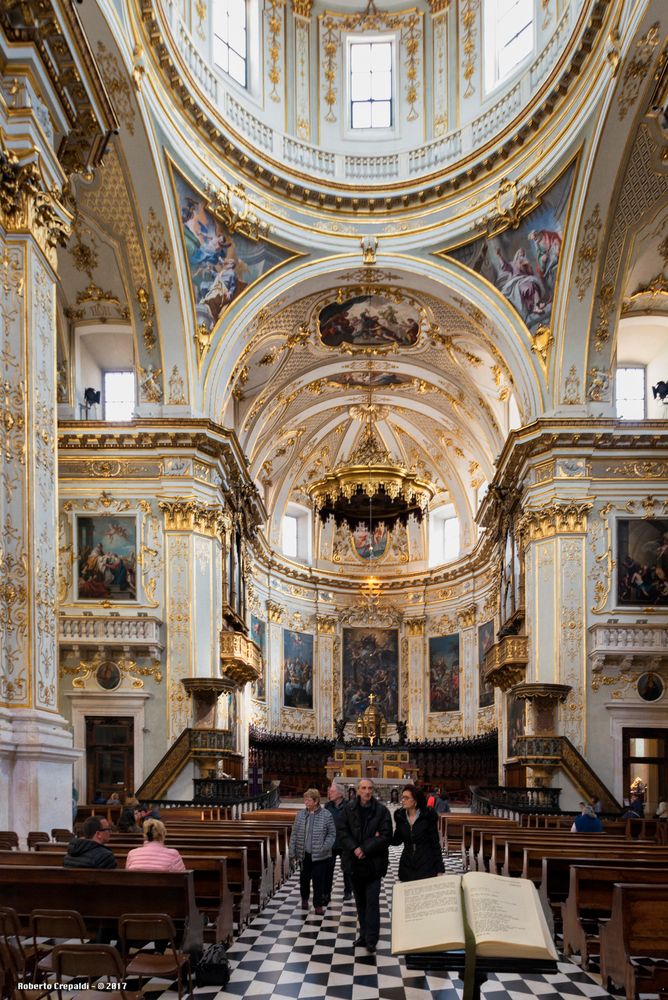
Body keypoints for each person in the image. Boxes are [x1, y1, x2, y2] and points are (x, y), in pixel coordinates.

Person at [339, 778, 392, 954]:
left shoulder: (382, 811)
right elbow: (342, 831)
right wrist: (355, 848)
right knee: (360, 902)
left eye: (370, 788)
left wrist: (364, 848)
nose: (367, 791)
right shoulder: (348, 809)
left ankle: (371, 939)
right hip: (354, 863)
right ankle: (363, 935)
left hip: (374, 864)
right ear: (358, 790)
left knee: (372, 903)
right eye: (363, 788)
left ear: (373, 790)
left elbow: (385, 836)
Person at [289, 788, 336, 915]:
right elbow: (294, 834)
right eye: (305, 799)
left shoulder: (326, 815)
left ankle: (318, 905)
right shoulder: (300, 815)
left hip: (321, 855)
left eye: (308, 799)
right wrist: (292, 852)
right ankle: (304, 899)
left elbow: (332, 834)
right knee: (304, 879)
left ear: (315, 801)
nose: (306, 802)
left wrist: (325, 847)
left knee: (318, 881)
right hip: (304, 854)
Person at [392, 784, 445, 882]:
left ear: (415, 801)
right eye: (402, 797)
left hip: (426, 863)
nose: (403, 800)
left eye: (406, 798)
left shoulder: (428, 816)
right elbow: (397, 840)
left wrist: (440, 869)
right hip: (407, 864)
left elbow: (435, 843)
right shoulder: (400, 816)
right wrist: (383, 835)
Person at [323, 782, 353, 903]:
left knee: (347, 868)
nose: (330, 793)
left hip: (344, 843)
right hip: (331, 843)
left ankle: (348, 891)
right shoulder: (327, 806)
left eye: (333, 791)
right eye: (330, 791)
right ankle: (326, 893)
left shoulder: (349, 806)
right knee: (328, 869)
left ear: (340, 793)